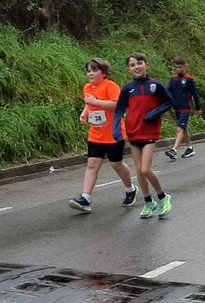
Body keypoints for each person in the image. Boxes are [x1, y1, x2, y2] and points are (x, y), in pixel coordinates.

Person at [69, 59, 138, 213]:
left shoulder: (110, 86)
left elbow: (117, 105)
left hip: (113, 133)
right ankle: (86, 198)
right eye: (88, 70)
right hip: (96, 133)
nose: (90, 73)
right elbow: (89, 103)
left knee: (116, 164)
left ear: (104, 73)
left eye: (94, 70)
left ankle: (130, 189)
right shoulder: (87, 88)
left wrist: (97, 101)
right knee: (92, 164)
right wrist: (84, 113)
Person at [114, 52, 174, 219]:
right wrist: (116, 128)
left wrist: (154, 113)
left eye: (139, 63)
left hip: (149, 132)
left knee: (146, 169)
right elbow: (119, 109)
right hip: (133, 132)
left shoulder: (156, 85)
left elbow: (169, 101)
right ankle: (148, 202)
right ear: (129, 69)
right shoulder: (127, 89)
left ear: (147, 65)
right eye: (132, 65)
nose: (136, 67)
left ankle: (163, 197)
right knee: (139, 172)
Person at [166, 57, 202, 160]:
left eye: (180, 67)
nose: (178, 69)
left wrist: (198, 108)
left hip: (185, 108)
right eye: (176, 67)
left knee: (180, 129)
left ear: (184, 67)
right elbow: (168, 91)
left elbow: (195, 94)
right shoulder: (173, 79)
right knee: (184, 128)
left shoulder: (189, 79)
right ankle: (189, 148)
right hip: (176, 108)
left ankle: (174, 150)